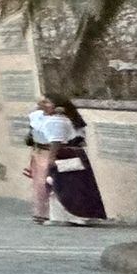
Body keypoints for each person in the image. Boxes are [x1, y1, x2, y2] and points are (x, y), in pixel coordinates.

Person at [32, 96, 107, 225]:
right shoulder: (70, 119)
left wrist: (51, 158)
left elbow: (56, 141)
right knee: (78, 185)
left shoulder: (56, 120)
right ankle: (80, 214)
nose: (42, 104)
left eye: (46, 102)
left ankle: (69, 216)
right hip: (75, 154)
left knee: (62, 185)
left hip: (63, 154)